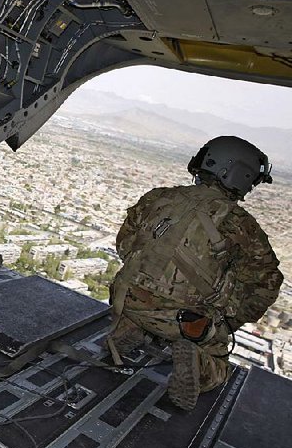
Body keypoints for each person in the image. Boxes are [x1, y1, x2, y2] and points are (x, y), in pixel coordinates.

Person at [107, 136, 283, 411]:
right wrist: (226, 323)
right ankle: (200, 362)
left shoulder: (158, 197)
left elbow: (125, 246)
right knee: (218, 361)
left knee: (147, 299)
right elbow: (267, 286)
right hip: (185, 323)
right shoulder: (240, 224)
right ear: (239, 175)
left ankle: (130, 328)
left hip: (126, 301)